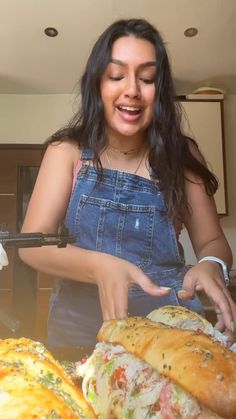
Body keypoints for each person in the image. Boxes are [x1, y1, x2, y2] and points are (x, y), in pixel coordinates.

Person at [19, 18, 236, 348]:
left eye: (147, 78)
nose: (132, 89)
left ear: (159, 91)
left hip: (169, 327)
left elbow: (212, 242)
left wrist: (211, 265)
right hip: (79, 330)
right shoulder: (66, 152)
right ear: (97, 86)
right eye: (117, 75)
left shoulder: (181, 153)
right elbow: (31, 246)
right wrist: (99, 266)